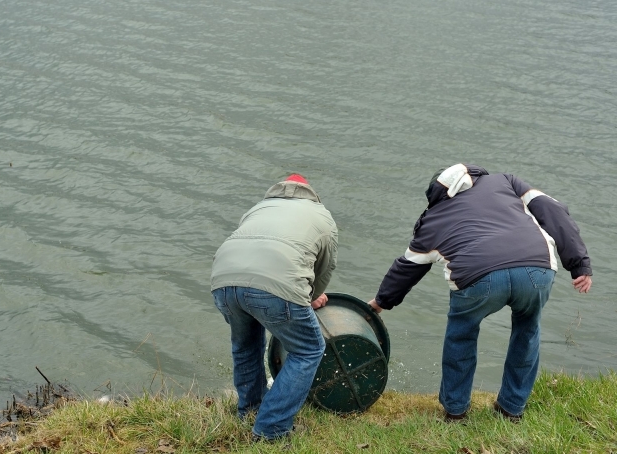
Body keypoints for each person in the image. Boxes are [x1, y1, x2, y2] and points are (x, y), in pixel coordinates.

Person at [368, 163, 592, 422]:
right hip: (537, 269)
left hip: (479, 279)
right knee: (527, 329)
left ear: (438, 194)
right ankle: (512, 408)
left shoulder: (434, 217)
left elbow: (407, 268)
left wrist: (379, 303)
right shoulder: (506, 182)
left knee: (461, 333)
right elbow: (553, 210)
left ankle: (456, 410)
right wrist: (579, 264)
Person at [211, 174, 338, 441]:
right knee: (308, 350)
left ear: (279, 190)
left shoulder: (258, 208)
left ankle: (250, 410)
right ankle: (272, 428)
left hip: (223, 281)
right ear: (310, 193)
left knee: (245, 346)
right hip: (277, 285)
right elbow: (325, 267)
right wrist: (311, 296)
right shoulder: (321, 215)